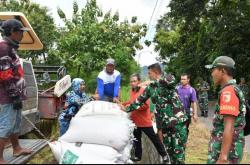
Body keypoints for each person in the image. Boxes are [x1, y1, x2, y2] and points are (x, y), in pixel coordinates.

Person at [120, 63, 188, 164]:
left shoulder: (167, 80)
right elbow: (139, 101)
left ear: (156, 72)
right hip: (165, 125)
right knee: (168, 153)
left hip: (177, 123)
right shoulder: (150, 88)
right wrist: (126, 109)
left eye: (149, 73)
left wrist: (154, 81)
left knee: (178, 155)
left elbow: (172, 81)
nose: (148, 75)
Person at [0, 19, 32, 164]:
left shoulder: (11, 47)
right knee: (6, 125)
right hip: (8, 96)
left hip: (15, 95)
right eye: (20, 32)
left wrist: (18, 95)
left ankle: (17, 148)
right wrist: (14, 95)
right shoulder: (3, 48)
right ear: (13, 32)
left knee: (16, 124)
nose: (22, 35)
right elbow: (5, 74)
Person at [205, 56, 246, 164]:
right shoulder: (232, 89)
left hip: (226, 153)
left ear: (222, 71)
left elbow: (229, 127)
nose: (212, 73)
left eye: (213, 69)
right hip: (227, 149)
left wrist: (222, 158)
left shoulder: (228, 92)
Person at [122, 73, 169, 162]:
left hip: (144, 122)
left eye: (134, 81)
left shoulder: (143, 90)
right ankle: (138, 156)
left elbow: (145, 105)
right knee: (137, 139)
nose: (132, 83)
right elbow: (131, 101)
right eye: (131, 81)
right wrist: (123, 104)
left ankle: (164, 155)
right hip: (135, 121)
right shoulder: (132, 91)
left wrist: (130, 107)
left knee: (154, 139)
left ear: (139, 81)